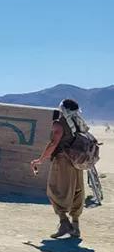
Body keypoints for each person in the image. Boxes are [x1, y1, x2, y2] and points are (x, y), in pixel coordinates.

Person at [30, 99, 87, 239]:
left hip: (63, 162)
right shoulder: (79, 123)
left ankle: (64, 223)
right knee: (77, 191)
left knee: (54, 190)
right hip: (77, 163)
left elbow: (54, 142)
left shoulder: (60, 123)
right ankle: (75, 226)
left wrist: (40, 159)